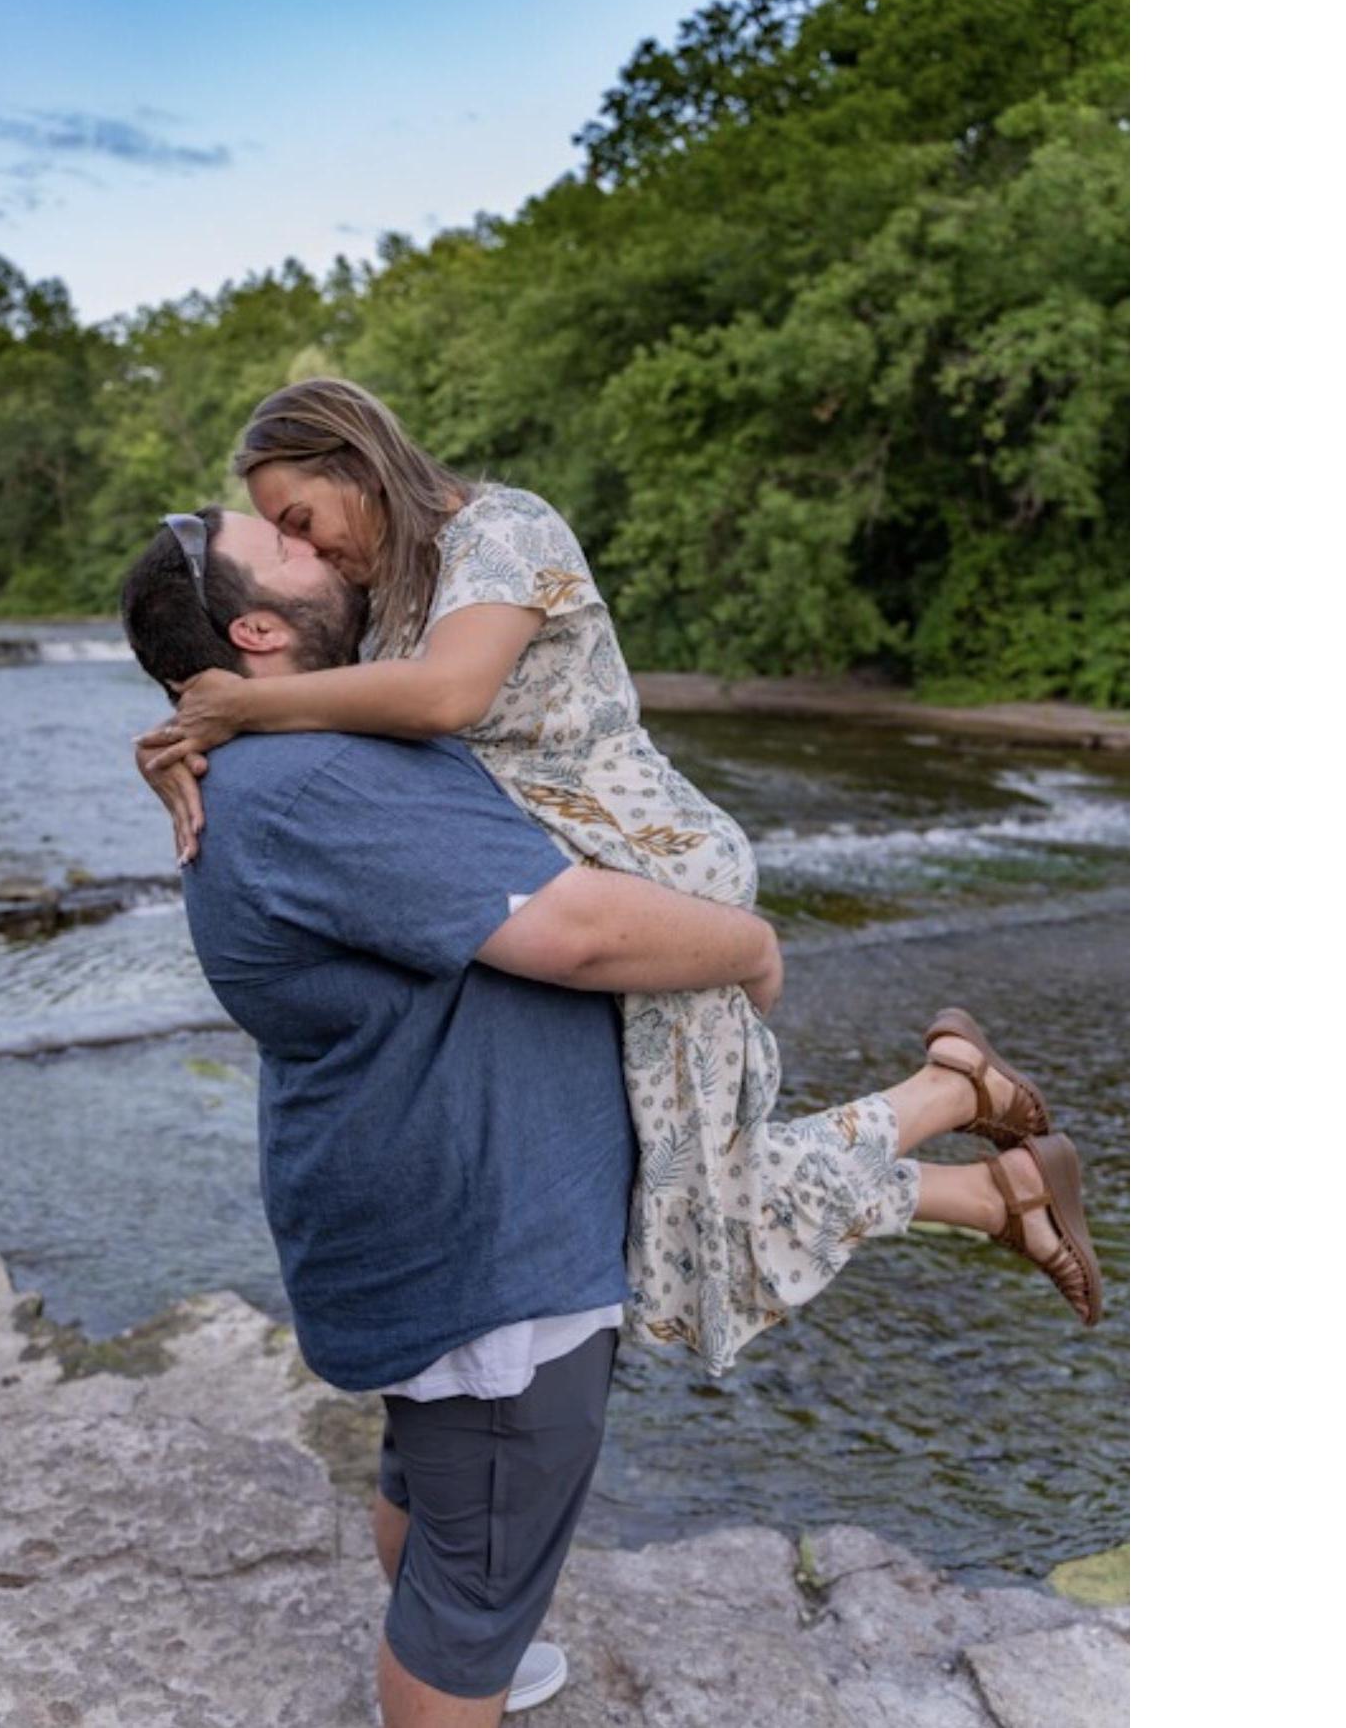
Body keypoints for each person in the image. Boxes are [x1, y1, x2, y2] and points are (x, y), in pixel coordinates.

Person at [120, 512, 1098, 1723]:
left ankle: (965, 1133)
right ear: (259, 630)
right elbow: (576, 931)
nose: (321, 545)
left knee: (438, 1485)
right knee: (474, 1570)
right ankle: (462, 1673)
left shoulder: (292, 749)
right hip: (488, 1254)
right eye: (289, 545)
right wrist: (748, 941)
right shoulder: (316, 778)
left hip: (434, 1219)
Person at [136, 382, 1103, 1376]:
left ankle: (961, 1112)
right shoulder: (392, 593)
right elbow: (342, 707)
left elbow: (445, 696)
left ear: (356, 462)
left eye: (301, 519)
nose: (307, 548)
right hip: (583, 870)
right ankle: (979, 1155)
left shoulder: (504, 531)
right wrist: (181, 737)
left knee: (692, 1216)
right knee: (681, 1204)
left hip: (653, 872)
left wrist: (241, 709)